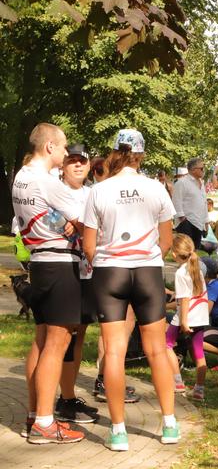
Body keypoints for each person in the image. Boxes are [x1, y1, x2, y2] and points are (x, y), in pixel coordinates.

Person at [83, 129, 179, 451]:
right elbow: (167, 240)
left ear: (114, 152)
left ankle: (118, 431)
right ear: (141, 155)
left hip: (110, 271)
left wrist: (107, 263)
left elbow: (89, 246)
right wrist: (147, 259)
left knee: (114, 352)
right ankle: (169, 425)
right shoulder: (156, 188)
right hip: (147, 271)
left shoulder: (99, 190)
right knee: (157, 350)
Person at [13, 123, 86, 443]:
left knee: (42, 342)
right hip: (60, 265)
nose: (67, 152)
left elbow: (46, 214)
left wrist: (64, 221)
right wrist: (72, 223)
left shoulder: (22, 176)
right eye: (64, 146)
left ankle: (34, 414)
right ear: (50, 147)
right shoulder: (47, 181)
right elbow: (85, 220)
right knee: (57, 344)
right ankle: (45, 423)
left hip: (39, 262)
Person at [55, 144, 100, 425]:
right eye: (72, 161)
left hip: (87, 272)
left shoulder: (92, 193)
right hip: (62, 269)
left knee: (79, 334)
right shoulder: (53, 190)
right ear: (63, 166)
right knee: (64, 336)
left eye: (82, 161)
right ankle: (64, 398)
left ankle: (68, 397)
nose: (78, 165)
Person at [165, 234, 210, 401]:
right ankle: (199, 389)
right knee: (198, 352)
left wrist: (183, 321)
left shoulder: (181, 272)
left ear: (174, 254)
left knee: (166, 345)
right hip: (200, 315)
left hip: (186, 315)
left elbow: (184, 299)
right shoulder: (196, 268)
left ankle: (177, 382)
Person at [172, 158, 208, 250]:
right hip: (187, 222)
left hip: (199, 222)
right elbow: (176, 201)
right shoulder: (182, 182)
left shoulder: (201, 183)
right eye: (201, 168)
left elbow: (204, 203)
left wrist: (205, 221)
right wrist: (183, 219)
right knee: (185, 250)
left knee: (194, 250)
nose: (203, 170)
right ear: (193, 169)